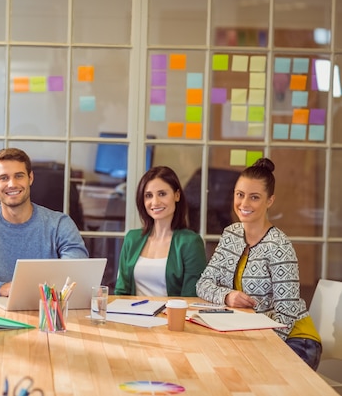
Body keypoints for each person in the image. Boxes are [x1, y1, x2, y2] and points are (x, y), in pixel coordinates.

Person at [196, 158, 322, 370]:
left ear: (269, 201)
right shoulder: (231, 235)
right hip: (249, 333)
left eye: (254, 197)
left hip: (295, 339)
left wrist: (258, 349)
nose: (244, 204)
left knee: (249, 372)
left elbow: (287, 313)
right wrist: (228, 296)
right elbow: (203, 284)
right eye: (240, 194)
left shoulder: (279, 246)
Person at [0, 148, 89, 297]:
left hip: (44, 312)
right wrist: (2, 288)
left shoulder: (60, 224)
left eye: (19, 176)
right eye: (4, 178)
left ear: (30, 178)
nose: (12, 184)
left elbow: (76, 270)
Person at [114, 166, 206, 297]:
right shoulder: (132, 239)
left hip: (171, 316)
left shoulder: (191, 243)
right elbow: (121, 292)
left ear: (177, 195)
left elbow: (191, 298)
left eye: (162, 194)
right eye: (148, 195)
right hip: (133, 315)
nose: (155, 202)